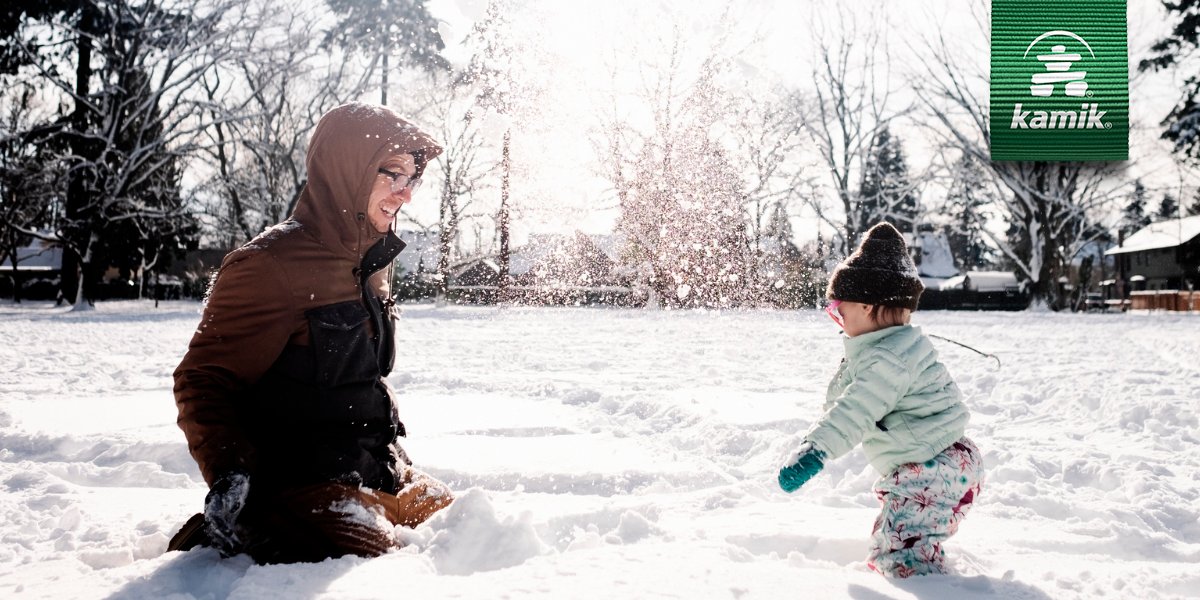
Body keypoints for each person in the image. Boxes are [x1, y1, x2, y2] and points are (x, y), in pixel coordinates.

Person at [167, 103, 453, 564]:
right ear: (349, 169)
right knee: (379, 567)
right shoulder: (269, 264)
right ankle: (241, 533)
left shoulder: (372, 264)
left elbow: (359, 378)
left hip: (374, 470)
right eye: (393, 174)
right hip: (302, 480)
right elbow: (203, 379)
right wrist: (231, 474)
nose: (406, 194)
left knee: (460, 532)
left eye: (412, 179)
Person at [776, 222, 983, 578]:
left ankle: (930, 590)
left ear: (868, 307)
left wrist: (816, 449)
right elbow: (847, 397)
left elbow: (856, 408)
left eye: (840, 307)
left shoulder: (889, 360)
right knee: (901, 545)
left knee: (901, 557)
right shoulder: (883, 351)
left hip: (932, 469)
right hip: (938, 464)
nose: (837, 316)